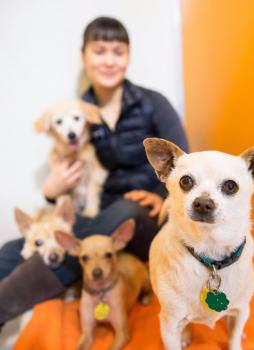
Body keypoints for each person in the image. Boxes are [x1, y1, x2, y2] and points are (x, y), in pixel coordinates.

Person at [0, 16, 188, 326]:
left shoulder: (153, 104)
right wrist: (50, 192)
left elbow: (185, 163)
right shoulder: (76, 115)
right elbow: (68, 174)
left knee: (124, 209)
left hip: (142, 219)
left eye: (118, 51)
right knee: (19, 244)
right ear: (83, 55)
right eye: (100, 51)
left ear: (128, 56)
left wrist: (162, 197)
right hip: (98, 212)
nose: (109, 60)